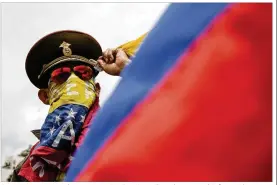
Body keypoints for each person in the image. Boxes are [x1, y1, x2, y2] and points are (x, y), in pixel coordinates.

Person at [12, 30, 146, 182]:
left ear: (96, 89)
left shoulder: (123, 132)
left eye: (84, 73)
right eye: (61, 75)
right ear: (45, 96)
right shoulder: (27, 168)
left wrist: (128, 69)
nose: (73, 81)